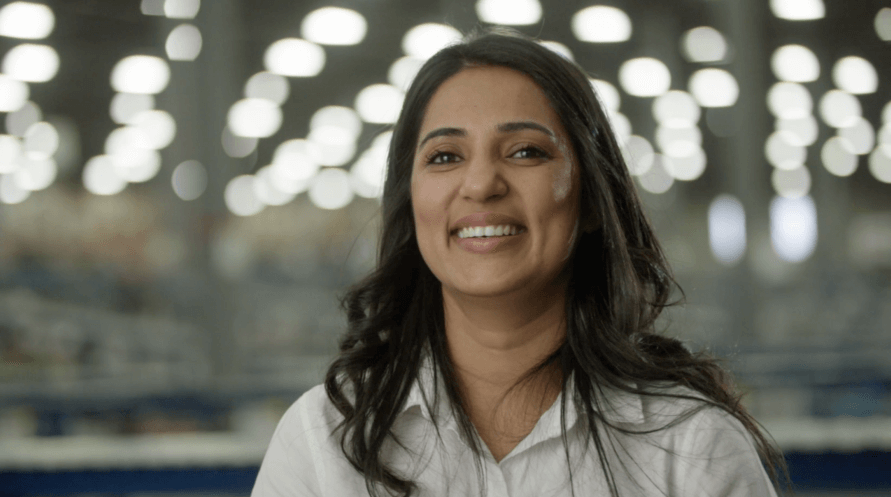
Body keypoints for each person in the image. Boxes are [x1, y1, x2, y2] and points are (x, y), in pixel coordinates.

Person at [252, 30, 789, 497]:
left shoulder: (691, 445)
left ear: (592, 202)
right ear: (410, 202)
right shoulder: (324, 441)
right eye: (444, 156)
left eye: (526, 151)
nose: (482, 183)